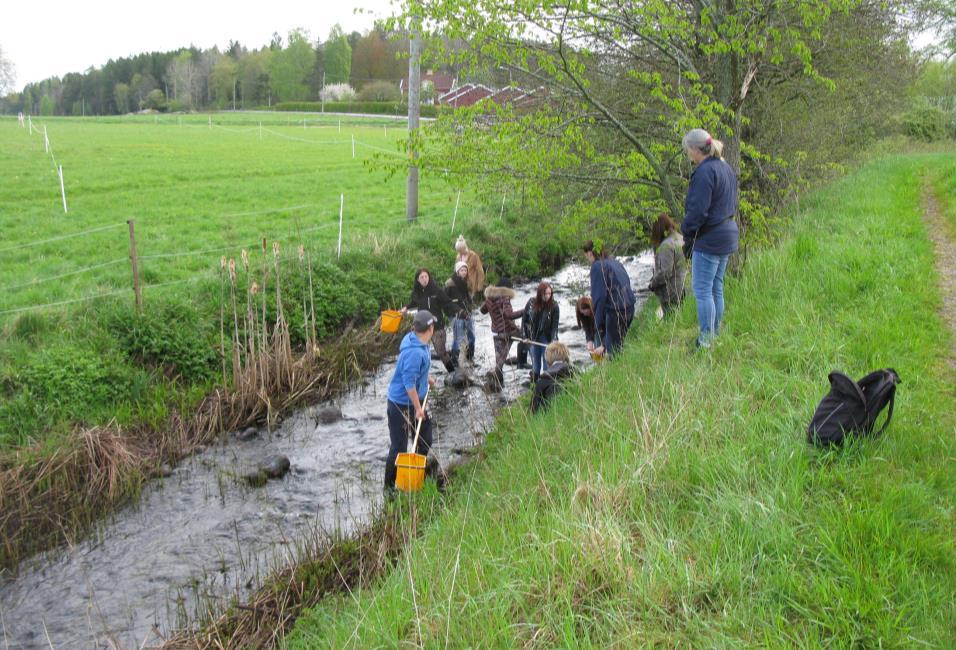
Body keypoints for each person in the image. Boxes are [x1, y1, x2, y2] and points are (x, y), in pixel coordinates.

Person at [680, 128, 739, 349]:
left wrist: (685, 230)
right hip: (727, 233)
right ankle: (716, 335)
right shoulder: (725, 167)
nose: (688, 154)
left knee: (703, 290)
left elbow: (698, 211)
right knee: (716, 287)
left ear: (695, 150)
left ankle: (706, 340)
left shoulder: (704, 172)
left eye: (688, 150)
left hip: (710, 238)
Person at [384, 310, 437, 492]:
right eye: (433, 325)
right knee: (398, 447)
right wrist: (417, 409)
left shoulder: (419, 341)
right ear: (430, 328)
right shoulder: (415, 352)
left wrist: (427, 378)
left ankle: (413, 473)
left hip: (415, 401)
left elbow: (416, 372)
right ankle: (390, 488)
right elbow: (408, 383)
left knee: (425, 438)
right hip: (401, 405)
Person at [583, 240, 635, 357]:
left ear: (590, 253)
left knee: (613, 353)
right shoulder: (615, 262)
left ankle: (616, 373)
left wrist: (597, 325)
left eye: (587, 256)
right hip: (629, 306)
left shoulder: (597, 266)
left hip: (615, 310)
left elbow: (599, 297)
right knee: (618, 346)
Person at [401, 268, 456, 372]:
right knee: (419, 352)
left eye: (426, 276)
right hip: (422, 327)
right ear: (418, 280)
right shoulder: (416, 293)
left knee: (441, 352)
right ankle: (422, 376)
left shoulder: (436, 291)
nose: (424, 279)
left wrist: (459, 311)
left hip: (437, 326)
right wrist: (406, 307)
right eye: (422, 277)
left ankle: (453, 372)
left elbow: (448, 303)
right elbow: (414, 302)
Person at [479, 276, 523, 384]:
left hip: (495, 332)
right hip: (507, 331)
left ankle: (497, 384)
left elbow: (482, 310)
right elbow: (509, 315)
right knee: (525, 337)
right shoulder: (504, 297)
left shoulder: (490, 296)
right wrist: (525, 311)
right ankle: (523, 360)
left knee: (499, 362)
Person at [647, 213, 687, 315]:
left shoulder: (666, 246)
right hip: (683, 286)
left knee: (671, 318)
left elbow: (664, 273)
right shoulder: (680, 238)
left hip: (671, 292)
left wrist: (652, 284)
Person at [528, 282, 560, 382]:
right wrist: (526, 336)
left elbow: (555, 326)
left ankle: (547, 386)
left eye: (549, 294)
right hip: (534, 338)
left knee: (547, 365)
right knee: (536, 365)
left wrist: (553, 341)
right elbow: (525, 320)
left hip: (547, 339)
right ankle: (535, 386)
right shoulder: (532, 303)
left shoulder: (554, 306)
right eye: (545, 294)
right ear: (540, 293)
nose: (547, 296)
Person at [445, 261, 476, 363]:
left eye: (465, 270)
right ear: (457, 271)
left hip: (467, 313)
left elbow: (467, 296)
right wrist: (454, 313)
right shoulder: (450, 283)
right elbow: (446, 302)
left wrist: (470, 303)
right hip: (456, 315)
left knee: (472, 336)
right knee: (458, 338)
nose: (464, 272)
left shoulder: (466, 282)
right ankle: (454, 360)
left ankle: (470, 357)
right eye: (462, 270)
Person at [530, 342, 574, 413]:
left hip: (551, 417)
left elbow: (533, 410)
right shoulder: (575, 373)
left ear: (547, 361)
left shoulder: (542, 381)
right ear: (566, 357)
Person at [515, 295, 535, 370]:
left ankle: (521, 364)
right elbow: (524, 320)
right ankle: (521, 364)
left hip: (533, 335)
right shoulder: (530, 303)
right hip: (529, 335)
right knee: (523, 341)